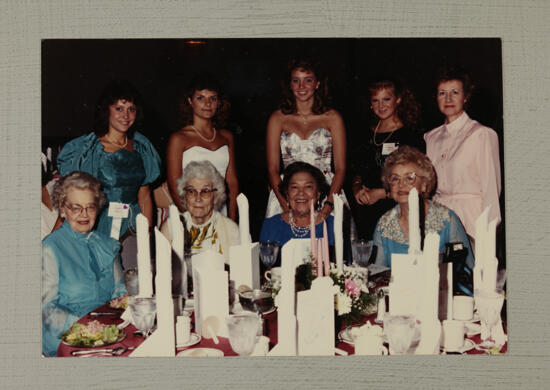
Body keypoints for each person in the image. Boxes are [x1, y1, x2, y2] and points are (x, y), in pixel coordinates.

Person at [57, 80, 161, 241]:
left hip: (133, 224)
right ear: (107, 110)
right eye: (119, 108)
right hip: (100, 223)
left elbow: (145, 195)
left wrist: (146, 232)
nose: (125, 116)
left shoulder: (142, 147)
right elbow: (75, 198)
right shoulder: (89, 149)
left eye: (131, 109)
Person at [42, 172, 127, 356]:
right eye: (75, 208)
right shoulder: (50, 248)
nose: (84, 214)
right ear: (62, 209)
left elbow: (120, 289)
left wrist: (121, 298)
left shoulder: (107, 244)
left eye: (90, 207)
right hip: (67, 339)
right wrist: (81, 324)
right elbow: (46, 309)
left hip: (108, 334)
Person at [372, 146, 474, 285]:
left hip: (440, 299)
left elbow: (468, 271)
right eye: (395, 178)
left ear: (424, 185)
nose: (402, 184)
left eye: (410, 177)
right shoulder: (383, 225)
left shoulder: (447, 220)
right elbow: (378, 276)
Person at [424, 66, 501, 247]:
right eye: (442, 93)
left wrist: (487, 233)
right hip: (439, 218)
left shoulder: (481, 134)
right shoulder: (431, 137)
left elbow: (491, 189)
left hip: (472, 220)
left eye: (455, 92)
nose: (448, 99)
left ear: (465, 97)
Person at [265, 59, 346, 221]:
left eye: (308, 80)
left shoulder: (333, 118)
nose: (302, 87)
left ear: (317, 84)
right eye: (296, 81)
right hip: (288, 193)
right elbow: (272, 169)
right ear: (290, 84)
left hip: (326, 192)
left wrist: (328, 205)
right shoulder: (277, 118)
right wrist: (285, 205)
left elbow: (340, 168)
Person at [350, 78, 424, 240]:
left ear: (398, 100)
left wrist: (382, 194)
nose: (381, 105)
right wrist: (357, 189)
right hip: (367, 210)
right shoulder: (364, 133)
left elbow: (415, 181)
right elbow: (356, 170)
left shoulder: (411, 135)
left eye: (386, 99)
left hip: (398, 207)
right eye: (375, 101)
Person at [166, 73, 238, 220]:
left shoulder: (226, 137)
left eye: (213, 98)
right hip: (189, 213)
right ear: (190, 101)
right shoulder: (179, 138)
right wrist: (191, 220)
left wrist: (231, 218)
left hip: (219, 212)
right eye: (200, 98)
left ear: (219, 103)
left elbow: (232, 182)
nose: (207, 103)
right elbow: (174, 187)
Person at [161, 160, 240, 264]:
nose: (198, 198)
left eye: (205, 192)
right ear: (185, 196)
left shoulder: (231, 229)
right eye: (191, 191)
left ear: (215, 197)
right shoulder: (170, 228)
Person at [260, 162, 335, 250]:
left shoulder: (332, 225)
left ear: (318, 193)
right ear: (287, 194)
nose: (301, 193)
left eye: (308, 187)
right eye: (294, 187)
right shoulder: (271, 225)